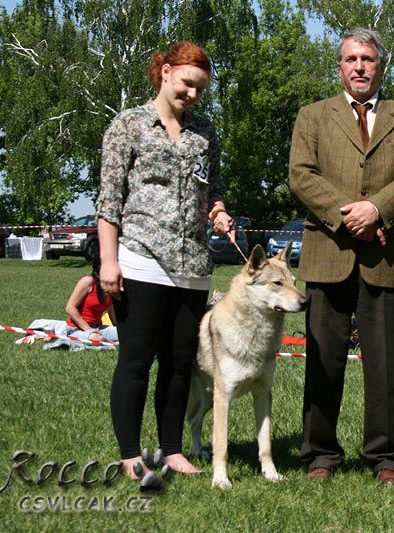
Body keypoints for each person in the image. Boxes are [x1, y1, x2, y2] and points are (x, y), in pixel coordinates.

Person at [288, 28, 394, 485]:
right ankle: (320, 455)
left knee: (387, 365)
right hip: (327, 252)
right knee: (322, 360)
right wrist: (346, 214)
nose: (359, 67)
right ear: (339, 66)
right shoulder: (312, 117)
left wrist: (378, 210)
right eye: (351, 59)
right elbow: (300, 174)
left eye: (368, 59)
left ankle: (387, 458)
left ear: (381, 67)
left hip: (387, 257)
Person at [97, 41, 237, 480]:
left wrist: (219, 210)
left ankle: (173, 449)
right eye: (187, 85)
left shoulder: (206, 133)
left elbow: (210, 189)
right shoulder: (128, 126)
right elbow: (109, 201)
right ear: (165, 71)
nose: (192, 95)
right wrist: (108, 260)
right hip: (139, 258)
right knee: (137, 359)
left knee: (180, 364)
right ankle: (129, 454)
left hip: (193, 265)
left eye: (200, 89)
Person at [65, 251, 118, 344]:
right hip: (77, 329)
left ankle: (113, 343)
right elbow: (70, 308)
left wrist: (119, 329)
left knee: (129, 334)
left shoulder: (110, 284)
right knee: (96, 338)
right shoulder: (87, 281)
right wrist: (88, 329)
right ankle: (114, 345)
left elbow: (111, 309)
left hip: (98, 328)